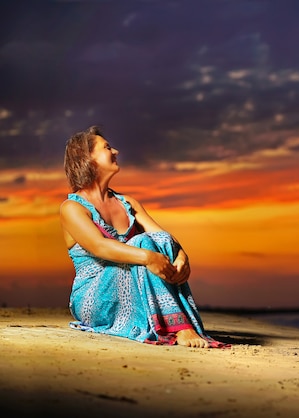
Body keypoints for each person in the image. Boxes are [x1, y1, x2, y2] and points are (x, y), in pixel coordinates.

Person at [60, 126, 229, 348]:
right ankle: (180, 328)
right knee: (142, 244)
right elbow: (100, 247)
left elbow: (163, 237)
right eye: (107, 147)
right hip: (93, 298)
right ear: (86, 158)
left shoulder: (128, 203)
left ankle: (174, 324)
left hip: (135, 288)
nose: (116, 151)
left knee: (162, 241)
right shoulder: (72, 207)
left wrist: (182, 257)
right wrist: (148, 258)